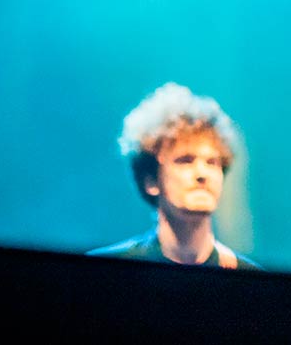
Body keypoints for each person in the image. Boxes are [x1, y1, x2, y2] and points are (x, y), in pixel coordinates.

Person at [89, 82, 259, 269]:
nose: (202, 174)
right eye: (186, 160)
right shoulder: (105, 269)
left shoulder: (250, 277)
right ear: (151, 181)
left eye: (212, 162)